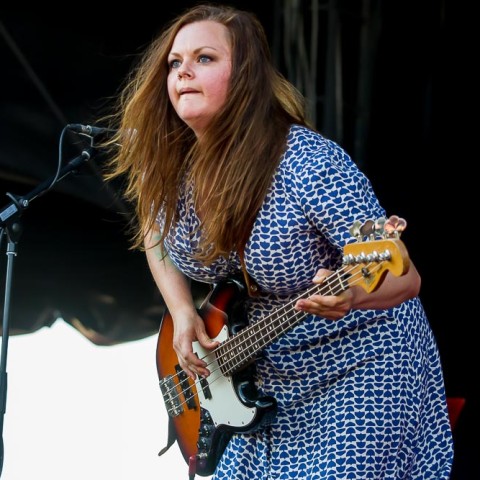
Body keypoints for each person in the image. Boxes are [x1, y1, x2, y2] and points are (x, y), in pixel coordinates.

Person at [104, 4, 453, 479]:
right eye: (174, 62)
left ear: (245, 76)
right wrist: (183, 312)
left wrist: (349, 295)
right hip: (269, 376)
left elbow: (406, 277)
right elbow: (154, 232)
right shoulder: (172, 168)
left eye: (204, 57)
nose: (183, 70)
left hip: (361, 368)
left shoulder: (307, 163)